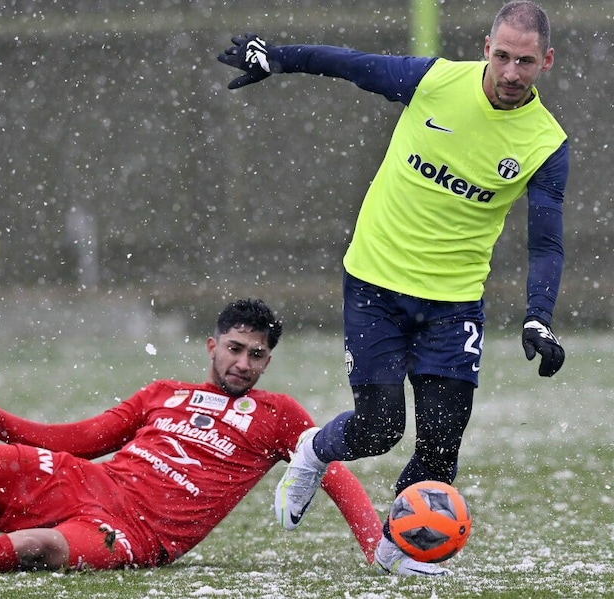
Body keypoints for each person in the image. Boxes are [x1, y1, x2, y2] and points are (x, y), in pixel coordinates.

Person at [217, 0, 567, 577]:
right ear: (485, 47)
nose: (509, 72)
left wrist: (538, 316)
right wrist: (276, 58)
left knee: (439, 445)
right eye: (501, 56)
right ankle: (311, 453)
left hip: (454, 302)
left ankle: (395, 549)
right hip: (376, 283)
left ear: (545, 62)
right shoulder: (433, 82)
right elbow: (351, 64)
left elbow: (546, 243)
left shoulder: (546, 143)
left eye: (524, 62)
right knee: (379, 427)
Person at [0, 299, 382, 578]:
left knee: (38, 549)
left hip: (136, 531)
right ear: (211, 345)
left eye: (256, 354)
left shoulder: (278, 414)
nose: (242, 363)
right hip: (87, 481)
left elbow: (330, 470)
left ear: (268, 360)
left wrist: (376, 545)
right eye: (234, 348)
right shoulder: (163, 392)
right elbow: (76, 439)